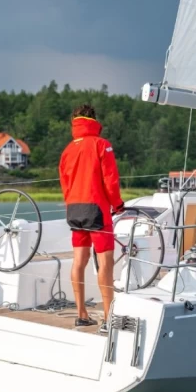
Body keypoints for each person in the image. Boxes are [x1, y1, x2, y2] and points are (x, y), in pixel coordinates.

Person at [59, 103, 124, 332]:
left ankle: (81, 315)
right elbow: (110, 180)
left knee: (79, 261)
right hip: (96, 209)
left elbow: (65, 183)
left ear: (75, 122)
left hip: (74, 209)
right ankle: (108, 318)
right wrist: (117, 205)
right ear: (94, 120)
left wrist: (71, 204)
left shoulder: (68, 149)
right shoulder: (101, 145)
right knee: (105, 263)